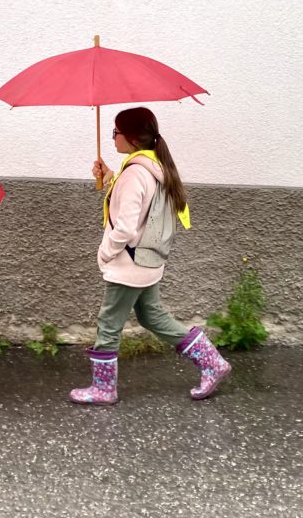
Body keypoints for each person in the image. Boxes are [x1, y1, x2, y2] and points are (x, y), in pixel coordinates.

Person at [69, 107, 231, 405]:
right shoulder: (153, 166)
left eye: (115, 132)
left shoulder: (135, 174)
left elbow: (127, 227)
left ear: (130, 138)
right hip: (148, 261)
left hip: (128, 265)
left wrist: (104, 253)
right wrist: (109, 178)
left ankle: (104, 389)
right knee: (151, 314)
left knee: (108, 322)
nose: (113, 138)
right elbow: (142, 204)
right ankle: (212, 362)